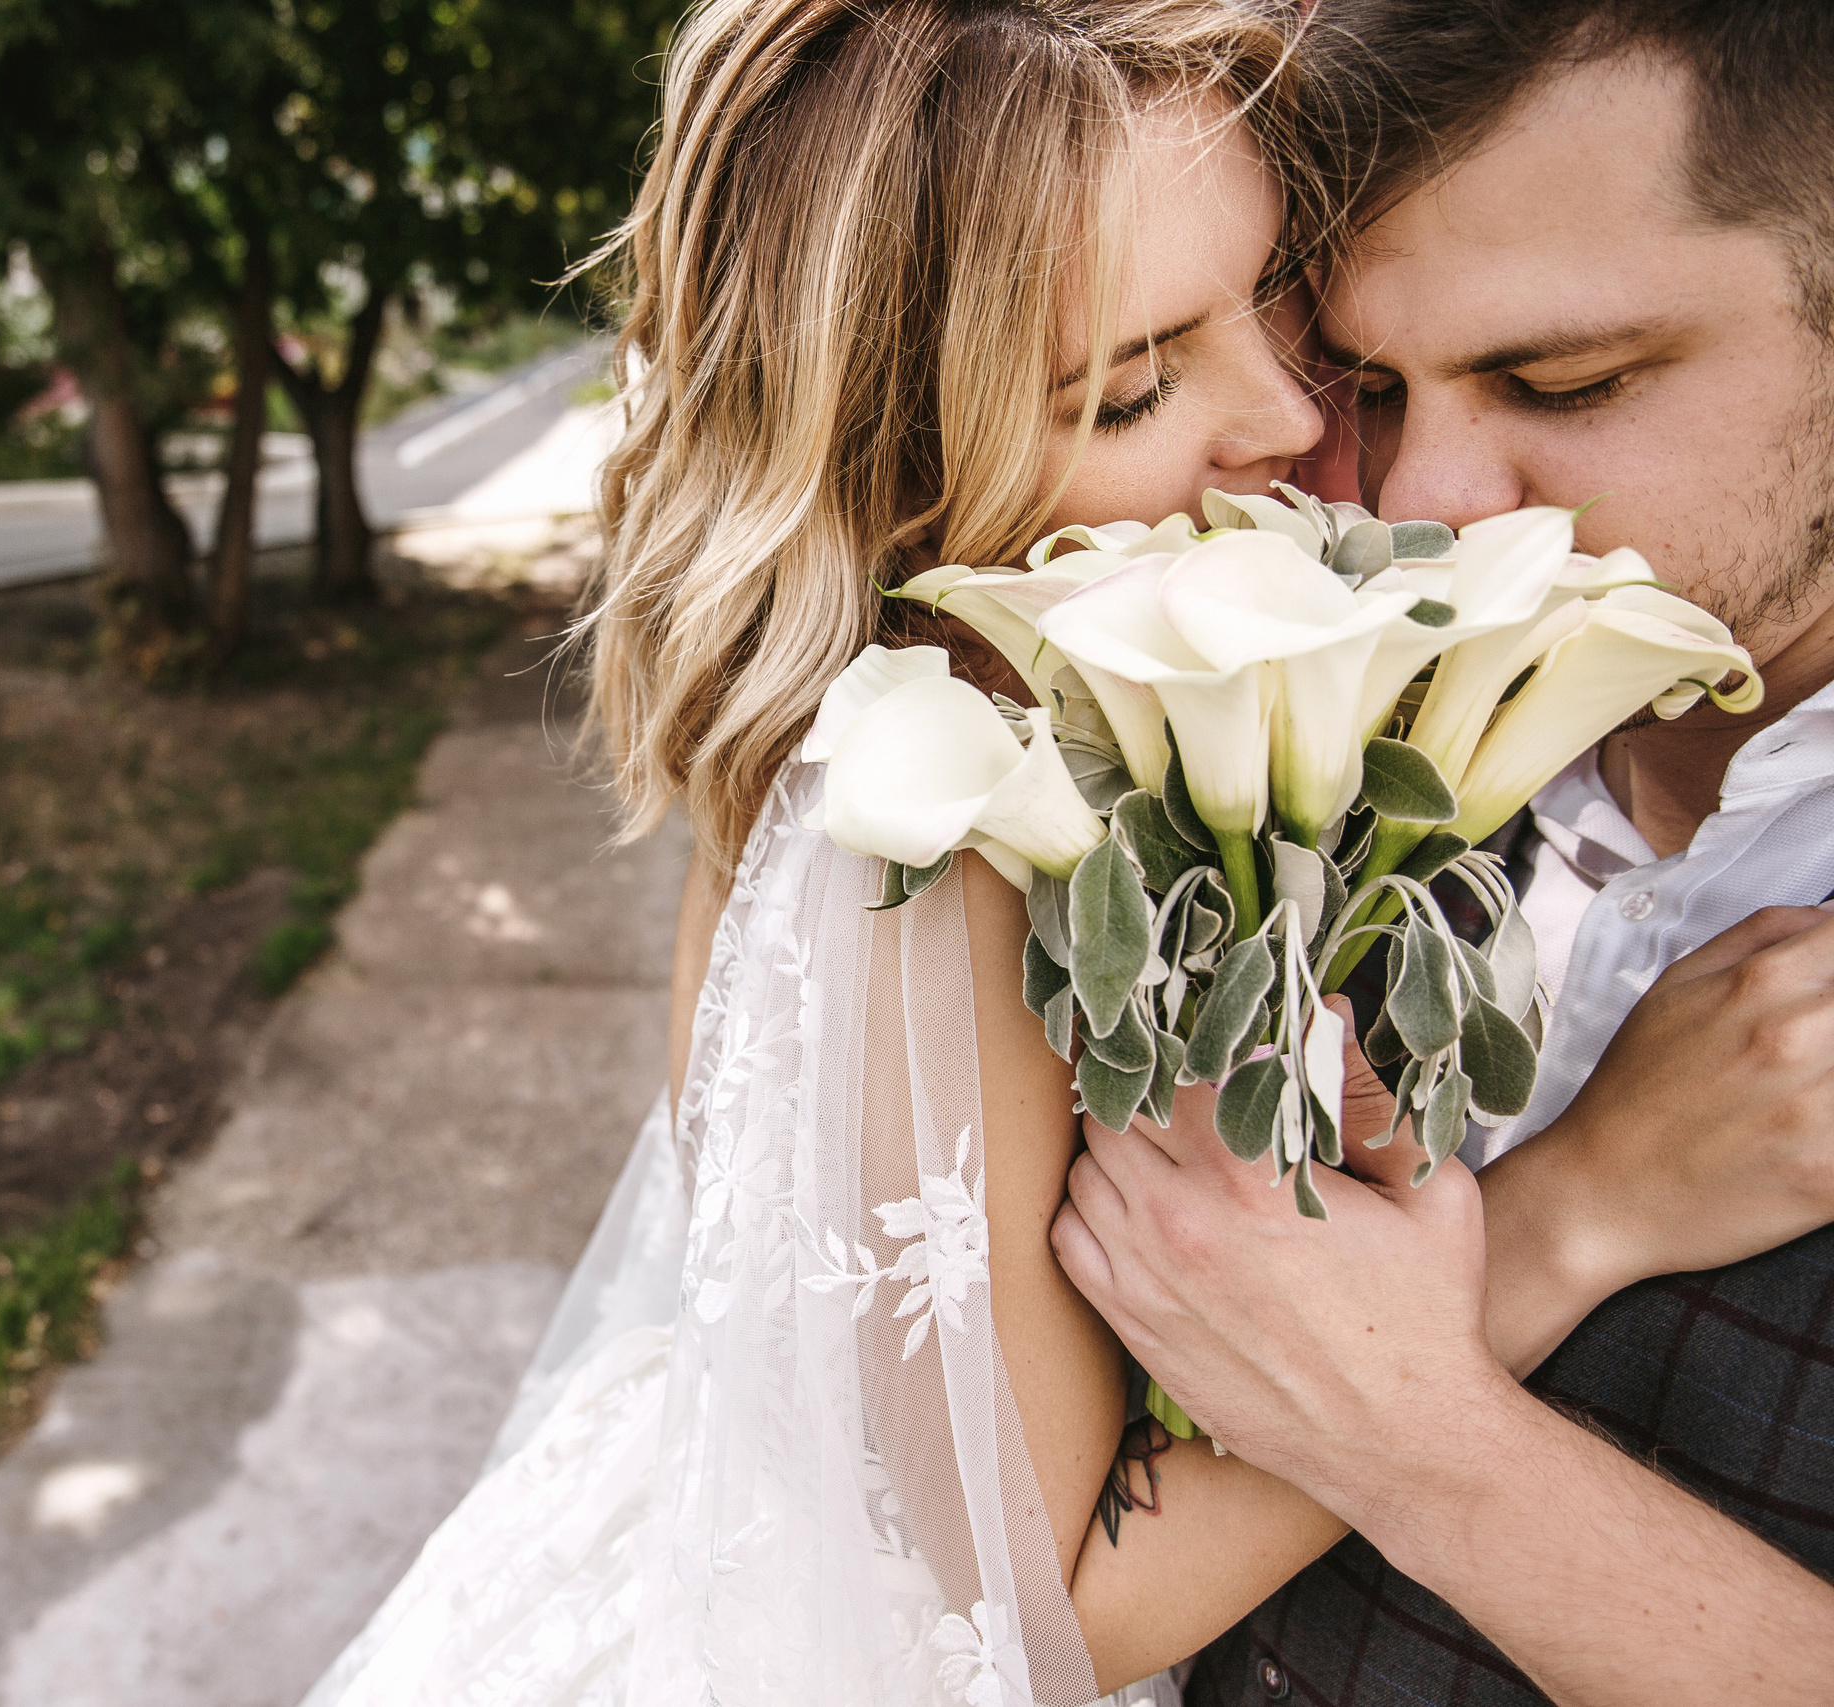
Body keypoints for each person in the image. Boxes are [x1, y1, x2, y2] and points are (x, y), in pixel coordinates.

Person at [300, 2, 1348, 1702]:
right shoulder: (955, 844)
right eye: (1139, 384)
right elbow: (1047, 1618)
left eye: (1282, 288)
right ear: (899, 473)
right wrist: (1571, 1223)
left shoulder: (854, 736)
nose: (1291, 413)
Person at [1048, 3, 1834, 1704]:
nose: (1430, 502)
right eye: (1374, 386)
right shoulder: (1274, 726)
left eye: (1566, 380)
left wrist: (1429, 1448)